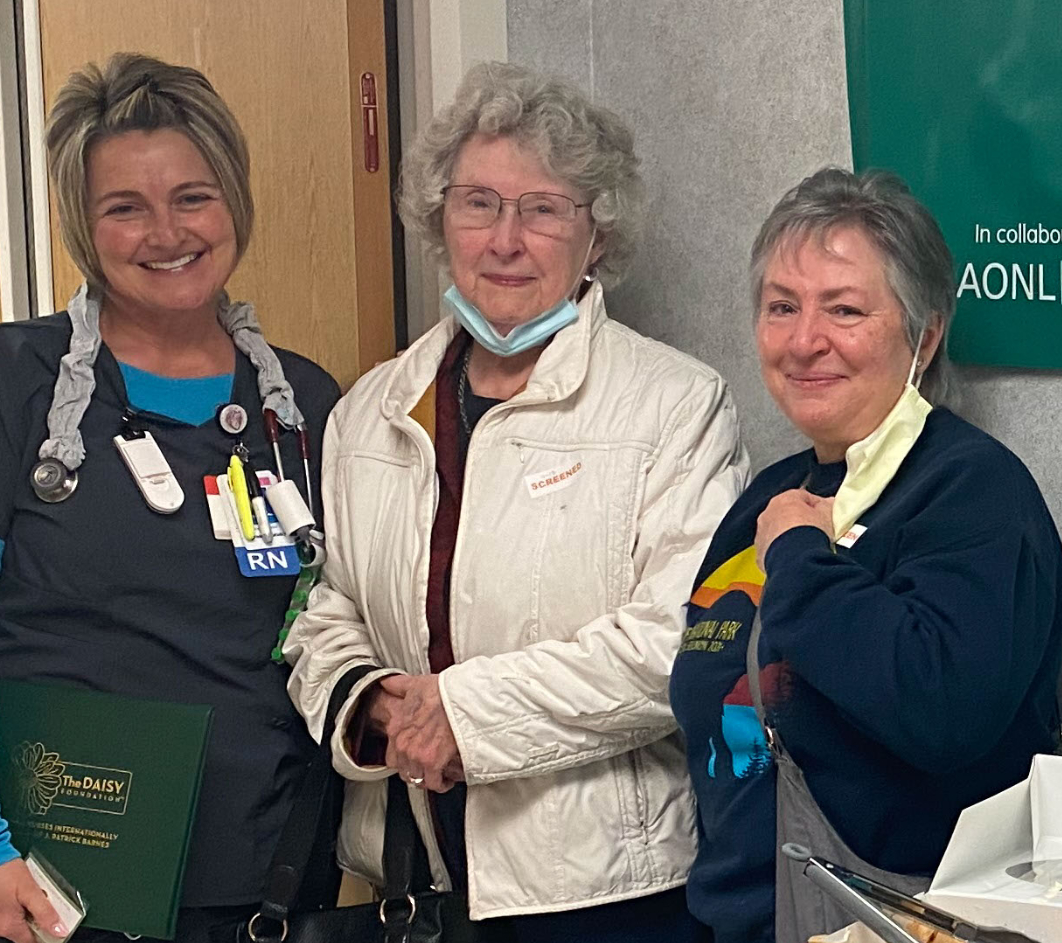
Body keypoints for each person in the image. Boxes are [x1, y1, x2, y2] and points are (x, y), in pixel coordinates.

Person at [283, 62, 747, 941]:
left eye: (543, 210)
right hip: (412, 879)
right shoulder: (369, 411)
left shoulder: (677, 405)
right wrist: (373, 701)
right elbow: (316, 601)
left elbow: (677, 642)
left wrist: (464, 715)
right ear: (438, 219)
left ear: (596, 236)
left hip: (607, 895)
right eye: (478, 204)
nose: (505, 239)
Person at [0, 53, 341, 943]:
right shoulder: (3, 381)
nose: (165, 232)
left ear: (234, 203)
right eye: (123, 208)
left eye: (192, 198)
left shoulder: (307, 406)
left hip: (272, 876)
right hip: (52, 883)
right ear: (83, 229)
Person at [670, 167, 1062, 943]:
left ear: (924, 335)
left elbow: (939, 709)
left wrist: (799, 556)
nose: (804, 340)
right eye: (781, 307)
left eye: (844, 310)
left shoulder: (973, 494)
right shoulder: (768, 497)